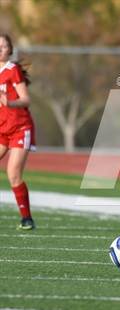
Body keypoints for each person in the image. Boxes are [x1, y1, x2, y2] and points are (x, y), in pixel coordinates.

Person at [0, 34, 36, 230]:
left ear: (9, 50)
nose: (0, 48)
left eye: (4, 46)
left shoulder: (12, 70)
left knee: (13, 173)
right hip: (2, 128)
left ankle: (27, 218)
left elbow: (26, 99)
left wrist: (10, 102)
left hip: (20, 127)